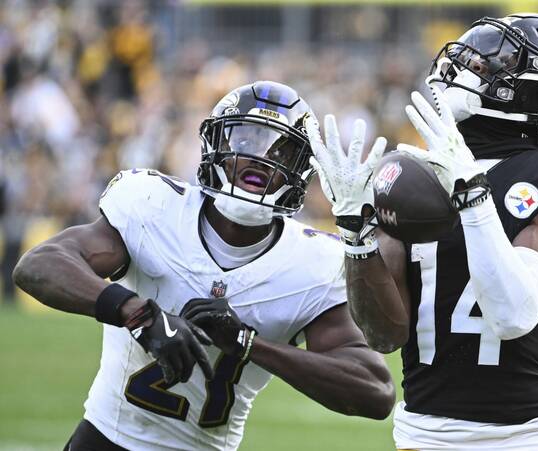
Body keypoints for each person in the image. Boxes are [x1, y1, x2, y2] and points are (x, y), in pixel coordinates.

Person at [13, 80, 395, 451]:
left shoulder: (311, 263)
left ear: (303, 171)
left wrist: (248, 344)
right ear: (214, 143)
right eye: (245, 140)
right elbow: (39, 265)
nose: (260, 160)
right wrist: (138, 314)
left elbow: (375, 392)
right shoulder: (154, 207)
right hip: (106, 438)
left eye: (282, 153)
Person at [307, 14, 538, 450]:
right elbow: (383, 335)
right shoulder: (417, 174)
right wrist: (356, 235)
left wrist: (473, 196)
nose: (464, 69)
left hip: (522, 440)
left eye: (491, 64)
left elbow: (512, 314)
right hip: (421, 437)